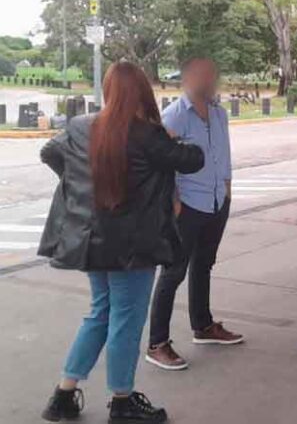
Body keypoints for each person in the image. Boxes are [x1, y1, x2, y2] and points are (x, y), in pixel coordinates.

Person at [38, 62, 204, 423]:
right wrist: (176, 138)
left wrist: (85, 184)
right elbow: (193, 160)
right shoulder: (147, 134)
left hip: (92, 242)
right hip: (133, 246)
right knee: (126, 321)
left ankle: (63, 395)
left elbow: (49, 154)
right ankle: (123, 401)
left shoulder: (80, 126)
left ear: (110, 91)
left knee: (100, 312)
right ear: (142, 93)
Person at [146, 57, 242, 371]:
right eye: (203, 74)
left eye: (213, 73)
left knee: (204, 265)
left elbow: (222, 153)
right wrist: (173, 198)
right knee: (173, 273)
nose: (210, 79)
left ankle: (203, 326)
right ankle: (157, 343)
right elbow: (160, 160)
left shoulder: (218, 113)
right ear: (188, 78)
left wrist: (227, 189)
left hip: (216, 202)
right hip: (187, 204)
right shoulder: (175, 116)